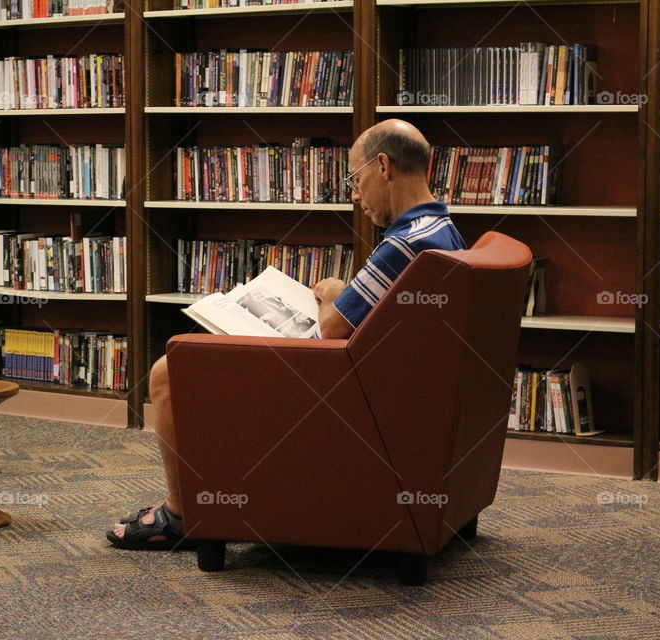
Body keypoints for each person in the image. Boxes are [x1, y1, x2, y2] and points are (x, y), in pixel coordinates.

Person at [106, 119, 466, 550]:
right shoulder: (441, 230)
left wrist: (334, 291)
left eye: (356, 177)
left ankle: (181, 514)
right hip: (388, 389)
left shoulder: (404, 245)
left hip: (348, 395)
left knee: (170, 370)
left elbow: (333, 329)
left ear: (383, 166)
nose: (355, 194)